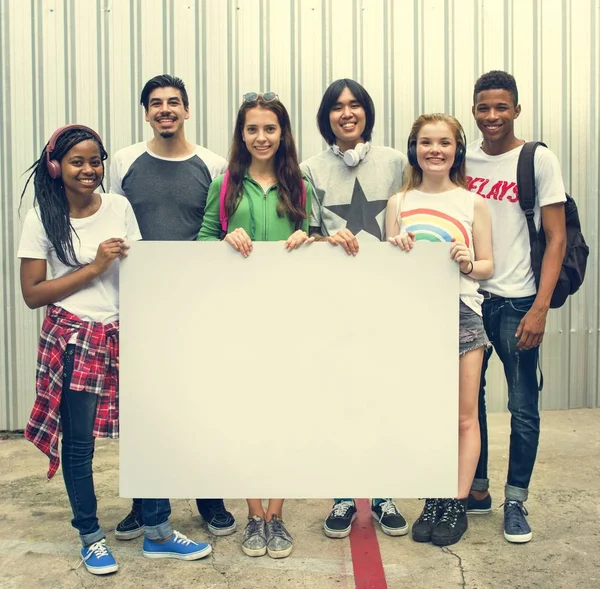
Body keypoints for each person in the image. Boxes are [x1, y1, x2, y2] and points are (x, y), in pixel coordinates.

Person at [18, 125, 212, 575]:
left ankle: (158, 531)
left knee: (148, 433)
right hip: (73, 338)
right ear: (55, 167)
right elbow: (33, 293)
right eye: (77, 162)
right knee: (81, 445)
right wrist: (96, 266)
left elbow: (137, 273)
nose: (88, 170)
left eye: (94, 161)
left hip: (124, 333)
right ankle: (90, 537)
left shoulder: (120, 207)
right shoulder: (42, 218)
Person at [109, 74, 236, 539]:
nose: (165, 109)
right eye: (156, 103)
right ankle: (146, 503)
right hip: (140, 304)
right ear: (146, 113)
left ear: (187, 110)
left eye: (173, 102)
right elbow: (117, 226)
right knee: (145, 408)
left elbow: (220, 231)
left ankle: (210, 499)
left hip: (198, 303)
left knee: (201, 402)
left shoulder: (213, 164)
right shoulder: (124, 162)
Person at [198, 91, 313, 558]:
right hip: (238, 318)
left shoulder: (299, 184)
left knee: (284, 416)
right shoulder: (225, 184)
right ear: (240, 134)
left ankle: (278, 515)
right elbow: (203, 239)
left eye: (270, 128)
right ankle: (253, 515)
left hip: (289, 318)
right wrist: (225, 238)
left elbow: (320, 239)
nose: (261, 137)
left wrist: (310, 235)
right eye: (252, 129)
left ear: (282, 133)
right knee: (245, 415)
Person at [301, 78, 409, 538]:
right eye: (337, 107)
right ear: (326, 117)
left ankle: (382, 494)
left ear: (367, 112)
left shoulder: (396, 163)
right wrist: (326, 238)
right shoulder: (309, 169)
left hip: (387, 299)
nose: (347, 113)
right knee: (338, 395)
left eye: (355, 105)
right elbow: (304, 231)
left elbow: (414, 216)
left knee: (383, 394)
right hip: (333, 300)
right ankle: (343, 495)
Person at [466, 71, 567, 543]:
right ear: (474, 111)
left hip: (519, 302)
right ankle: (478, 488)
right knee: (471, 402)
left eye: (501, 107)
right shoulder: (462, 161)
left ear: (517, 110)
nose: (492, 117)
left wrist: (541, 307)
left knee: (523, 404)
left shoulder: (537, 160)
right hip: (470, 299)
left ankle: (516, 501)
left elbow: (557, 238)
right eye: (484, 108)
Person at [386, 113, 493, 546]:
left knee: (465, 416)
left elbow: (488, 266)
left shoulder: (473, 203)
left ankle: (455, 502)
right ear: (415, 148)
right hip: (415, 318)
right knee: (428, 415)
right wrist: (396, 249)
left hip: (462, 313)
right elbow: (388, 272)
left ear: (456, 150)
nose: (435, 150)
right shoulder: (400, 203)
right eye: (426, 142)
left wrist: (468, 260)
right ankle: (433, 497)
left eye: (444, 143)